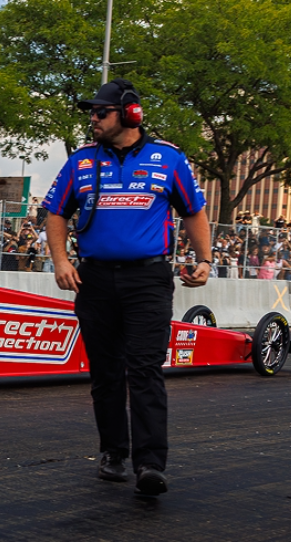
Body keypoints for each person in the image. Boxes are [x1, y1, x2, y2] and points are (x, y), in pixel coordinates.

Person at [42, 79, 211, 497]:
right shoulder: (80, 161)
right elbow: (56, 212)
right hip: (94, 280)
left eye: (101, 112)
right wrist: (61, 260)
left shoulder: (168, 158)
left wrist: (205, 260)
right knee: (105, 372)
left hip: (148, 280)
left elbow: (193, 211)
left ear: (130, 114)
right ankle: (113, 453)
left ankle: (150, 463)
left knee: (145, 369)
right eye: (92, 112)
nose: (93, 118)